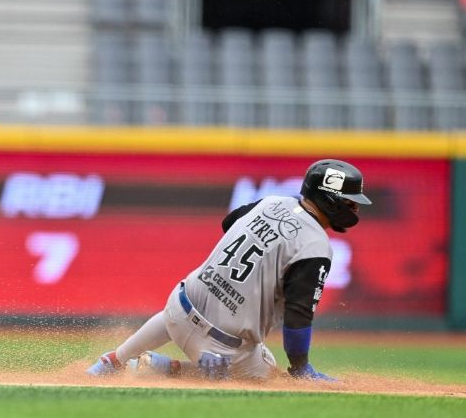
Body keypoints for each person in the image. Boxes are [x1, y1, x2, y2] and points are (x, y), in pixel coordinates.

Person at [87, 159, 371, 381]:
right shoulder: (315, 244)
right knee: (268, 373)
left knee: (184, 305)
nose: (354, 210)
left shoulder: (272, 202)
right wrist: (301, 368)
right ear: (330, 200)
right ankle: (166, 369)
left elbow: (229, 223)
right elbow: (298, 316)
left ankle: (114, 360)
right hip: (219, 348)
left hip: (176, 309)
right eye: (349, 202)